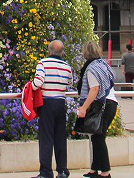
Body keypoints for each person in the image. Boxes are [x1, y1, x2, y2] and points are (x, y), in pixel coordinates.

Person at [29, 39, 74, 178]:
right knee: (60, 137)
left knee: (46, 137)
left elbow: (38, 82)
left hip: (47, 103)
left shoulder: (43, 63)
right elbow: (69, 83)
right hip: (61, 103)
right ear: (62, 52)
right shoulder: (67, 66)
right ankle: (62, 170)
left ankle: (46, 172)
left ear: (49, 51)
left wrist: (30, 87)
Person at [75, 42, 118, 178]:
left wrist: (83, 107)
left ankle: (105, 172)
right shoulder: (103, 65)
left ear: (86, 53)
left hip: (103, 104)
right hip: (111, 102)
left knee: (98, 137)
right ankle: (94, 169)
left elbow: (94, 89)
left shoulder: (91, 69)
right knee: (96, 136)